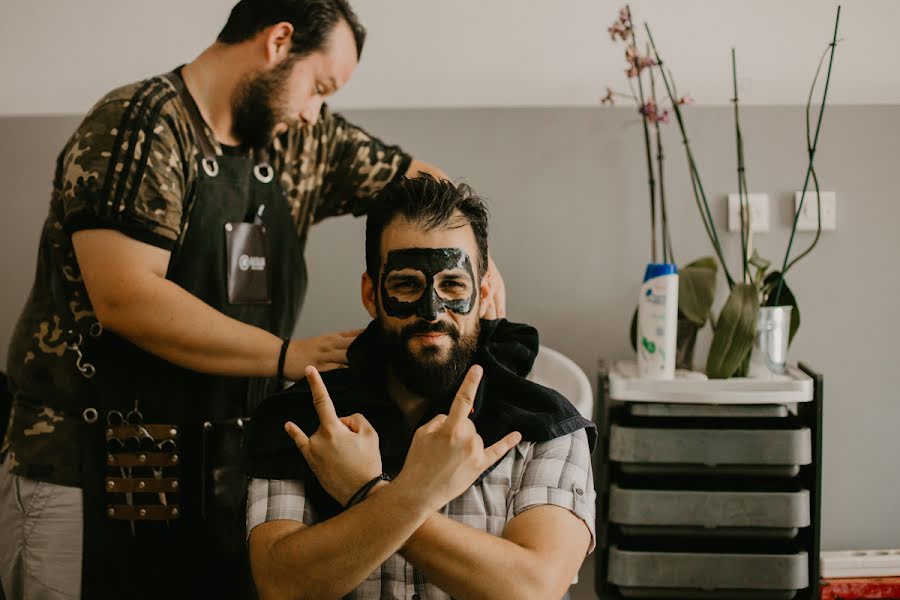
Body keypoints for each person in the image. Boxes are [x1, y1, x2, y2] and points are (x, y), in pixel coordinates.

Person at [0, 2, 506, 598]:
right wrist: (286, 354)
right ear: (278, 41)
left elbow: (421, 190)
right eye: (318, 86)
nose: (317, 112)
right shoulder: (139, 126)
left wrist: (479, 264)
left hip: (222, 478)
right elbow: (126, 297)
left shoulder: (297, 143)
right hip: (86, 471)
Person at [243, 174, 596, 600]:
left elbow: (532, 589)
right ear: (372, 294)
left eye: (452, 285)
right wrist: (410, 495)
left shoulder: (544, 426)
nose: (432, 311)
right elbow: (281, 586)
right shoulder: (305, 420)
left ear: (483, 294)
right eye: (407, 284)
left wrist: (366, 492)